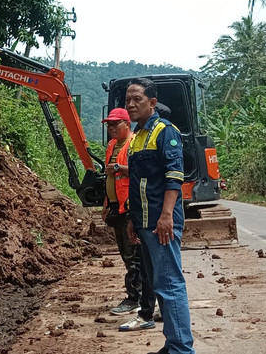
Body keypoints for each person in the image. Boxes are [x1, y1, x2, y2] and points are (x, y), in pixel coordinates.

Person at [125, 77, 194, 354]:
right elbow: (139, 181)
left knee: (170, 285)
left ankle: (181, 349)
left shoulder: (166, 131)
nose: (130, 104)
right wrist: (133, 218)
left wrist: (167, 216)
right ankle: (173, 344)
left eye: (136, 99)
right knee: (158, 284)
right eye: (128, 99)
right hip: (144, 222)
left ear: (152, 103)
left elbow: (174, 178)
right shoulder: (137, 136)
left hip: (161, 223)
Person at [101, 108, 157, 331]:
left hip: (129, 206)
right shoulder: (112, 146)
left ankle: (136, 298)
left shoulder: (133, 144)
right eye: (108, 124)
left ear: (127, 124)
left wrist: (117, 168)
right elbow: (109, 178)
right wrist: (106, 203)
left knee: (133, 256)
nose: (111, 128)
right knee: (127, 255)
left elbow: (135, 172)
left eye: (115, 124)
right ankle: (137, 296)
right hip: (117, 206)